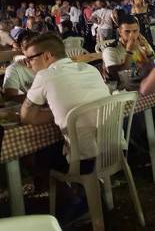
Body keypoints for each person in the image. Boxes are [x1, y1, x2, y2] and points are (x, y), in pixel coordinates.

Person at [20, 32, 111, 162]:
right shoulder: (90, 68)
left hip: (85, 159)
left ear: (47, 56)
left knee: (37, 157)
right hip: (114, 148)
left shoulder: (44, 76)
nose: (28, 65)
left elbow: (26, 117)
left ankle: (75, 182)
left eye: (30, 59)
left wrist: (60, 112)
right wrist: (61, 111)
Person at [102, 15, 155, 81]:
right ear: (119, 32)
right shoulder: (110, 50)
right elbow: (116, 76)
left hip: (143, 81)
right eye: (127, 31)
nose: (132, 35)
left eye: (135, 31)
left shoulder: (142, 44)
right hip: (123, 88)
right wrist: (129, 51)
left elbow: (152, 67)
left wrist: (145, 49)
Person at [3, 30, 37, 100]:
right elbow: (10, 98)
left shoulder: (52, 62)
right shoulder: (14, 69)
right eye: (27, 46)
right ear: (20, 49)